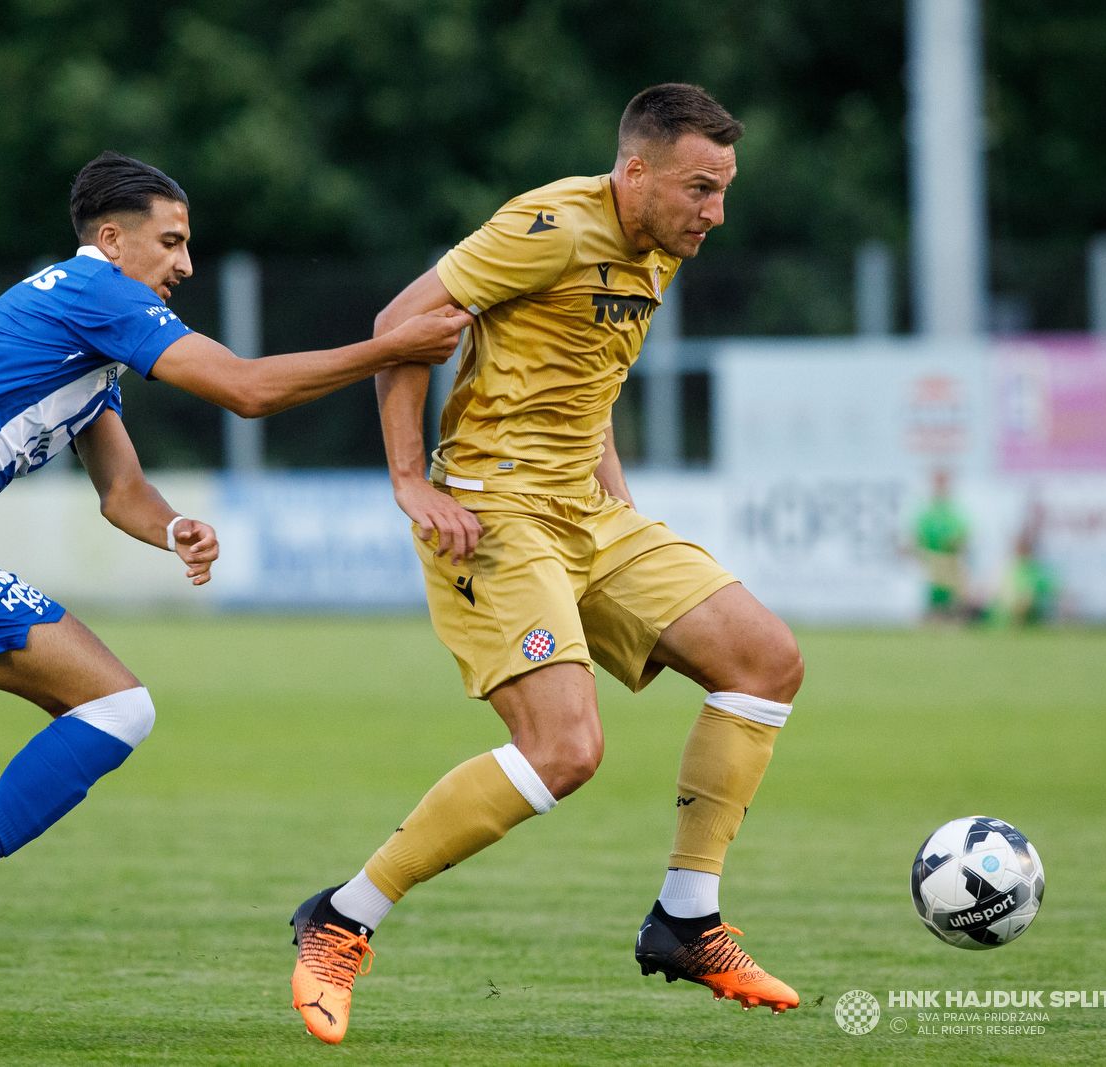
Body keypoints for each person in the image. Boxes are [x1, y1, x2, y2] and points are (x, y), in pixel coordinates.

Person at [0, 150, 472, 1046]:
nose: (184, 264)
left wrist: (173, 526)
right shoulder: (97, 293)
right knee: (121, 705)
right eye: (171, 242)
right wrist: (393, 348)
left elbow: (122, 494)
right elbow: (246, 389)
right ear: (111, 240)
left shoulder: (73, 329)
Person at [287, 84, 806, 1045]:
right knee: (566, 751)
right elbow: (402, 324)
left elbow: (585, 379)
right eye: (701, 189)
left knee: (765, 659)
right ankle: (343, 916)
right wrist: (411, 480)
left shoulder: (659, 244)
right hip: (493, 511)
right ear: (636, 171)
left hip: (587, 513)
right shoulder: (548, 225)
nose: (716, 214)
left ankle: (687, 919)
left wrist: (623, 508)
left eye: (724, 190)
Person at [914, 468, 970, 621]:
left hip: (950, 562)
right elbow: (917, 537)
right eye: (938, 482)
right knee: (934, 601)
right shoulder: (926, 512)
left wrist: (955, 543)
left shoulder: (955, 512)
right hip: (933, 561)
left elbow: (963, 536)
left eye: (943, 482)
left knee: (952, 602)